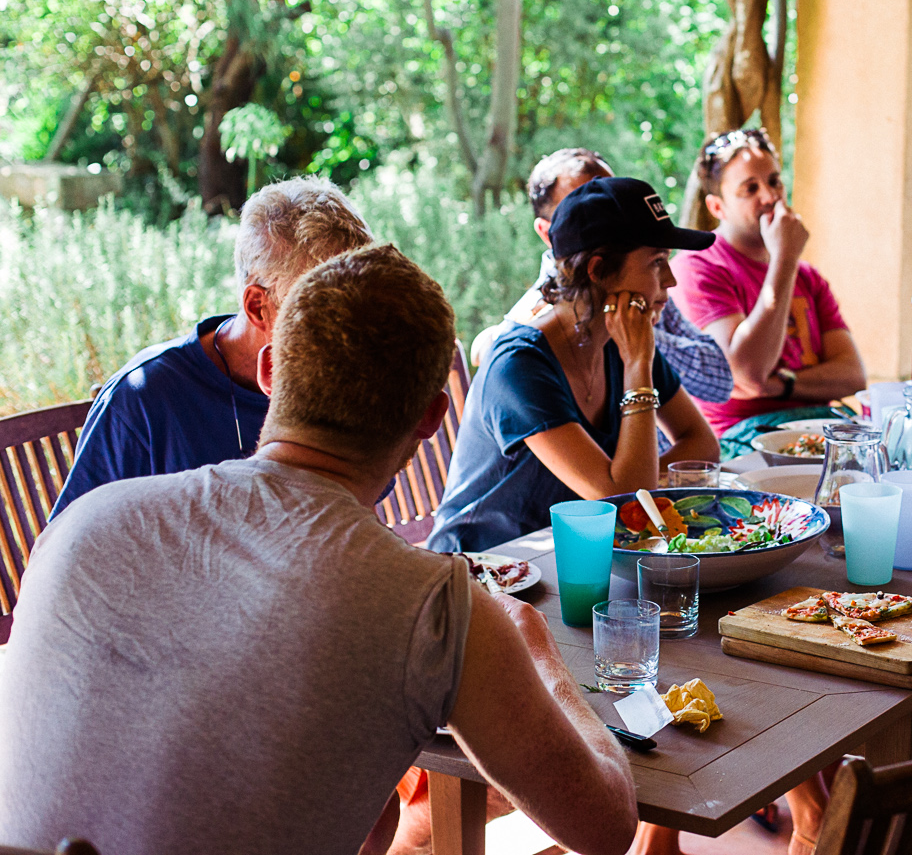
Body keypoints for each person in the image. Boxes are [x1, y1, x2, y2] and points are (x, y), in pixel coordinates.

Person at [0, 244, 638, 855]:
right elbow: (606, 830)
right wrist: (539, 653)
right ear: (433, 417)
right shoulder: (437, 609)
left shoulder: (86, 522)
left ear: (271, 369)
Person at [49, 175, 373, 519]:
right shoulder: (144, 398)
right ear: (257, 306)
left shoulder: (344, 373)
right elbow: (66, 552)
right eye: (323, 308)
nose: (347, 329)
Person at [428, 177, 721, 553]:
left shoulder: (621, 342)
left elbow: (701, 445)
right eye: (656, 262)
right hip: (485, 571)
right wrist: (637, 369)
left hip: (567, 556)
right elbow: (624, 498)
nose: (671, 280)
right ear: (597, 270)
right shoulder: (520, 365)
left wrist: (632, 484)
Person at [468, 148, 734, 410]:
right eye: (581, 208)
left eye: (609, 192)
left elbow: (720, 383)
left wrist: (635, 333)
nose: (607, 213)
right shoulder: (535, 329)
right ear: (547, 232)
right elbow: (493, 354)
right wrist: (627, 337)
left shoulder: (644, 282)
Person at [669, 128, 866, 436]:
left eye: (774, 181)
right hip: (743, 437)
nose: (770, 196)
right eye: (750, 189)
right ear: (717, 207)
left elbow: (853, 375)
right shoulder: (697, 268)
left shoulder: (808, 277)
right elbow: (746, 373)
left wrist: (779, 384)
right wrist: (785, 260)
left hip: (818, 427)